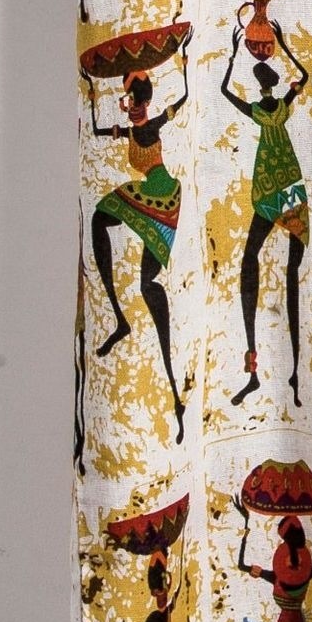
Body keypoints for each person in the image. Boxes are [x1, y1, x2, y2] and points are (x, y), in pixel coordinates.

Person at [88, 64, 189, 443]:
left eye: (133, 99)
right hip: (152, 195)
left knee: (147, 281)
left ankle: (175, 390)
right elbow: (96, 130)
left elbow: (182, 101)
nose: (130, 106)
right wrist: (91, 94)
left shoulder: (150, 127)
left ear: (140, 101)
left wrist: (185, 65)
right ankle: (120, 320)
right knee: (104, 225)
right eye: (129, 101)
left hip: (160, 195)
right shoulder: (131, 130)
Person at [219, 15, 311, 406]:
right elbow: (303, 77)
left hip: (273, 188)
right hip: (286, 186)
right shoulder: (280, 106)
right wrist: (285, 45)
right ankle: (288, 372)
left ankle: (269, 368)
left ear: (261, 85)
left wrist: (231, 55)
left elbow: (224, 90)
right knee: (284, 270)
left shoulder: (260, 110)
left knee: (257, 262)